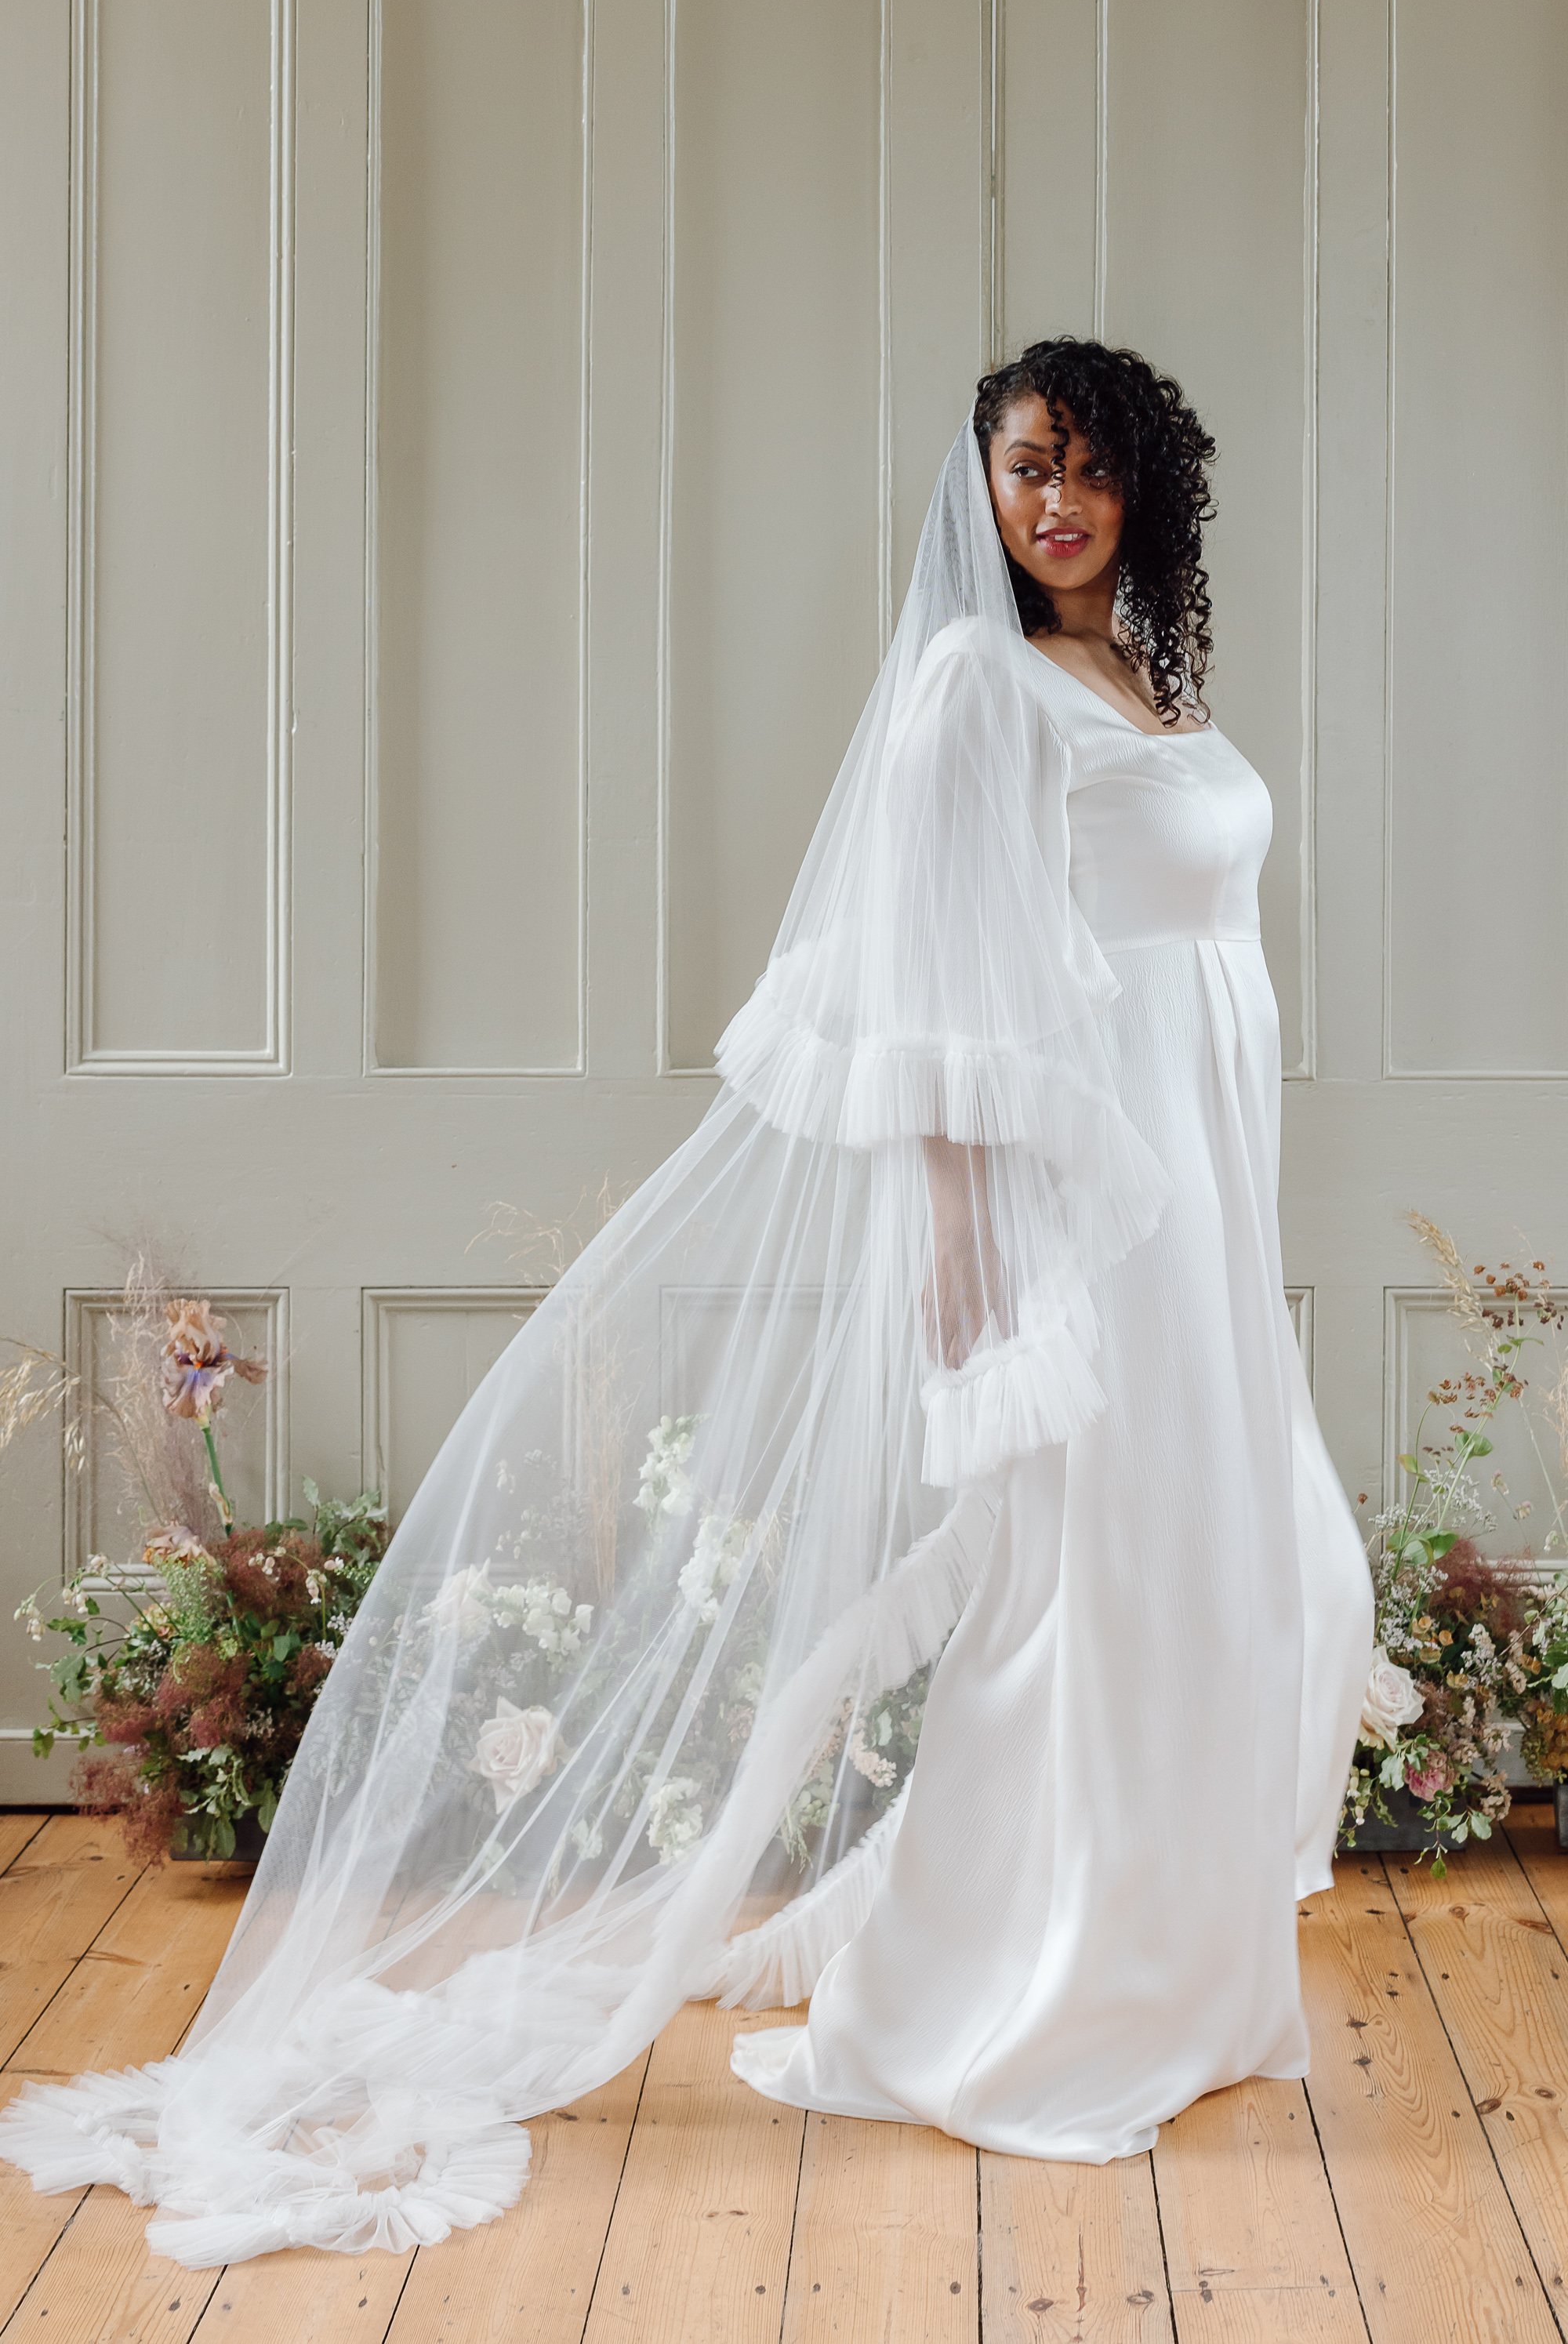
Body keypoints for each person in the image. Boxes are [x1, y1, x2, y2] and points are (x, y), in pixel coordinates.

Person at [0, 338, 1373, 2264]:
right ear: (977, 488)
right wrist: (963, 1245)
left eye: (1088, 468)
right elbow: (929, 988)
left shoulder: (1143, 678)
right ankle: (1017, 2011)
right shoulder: (970, 688)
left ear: (1148, 487)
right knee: (1083, 1590)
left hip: (1204, 1205)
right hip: (1076, 1213)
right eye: (1020, 468)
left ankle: (1179, 1979)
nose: (1052, 502)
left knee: (1244, 1575)